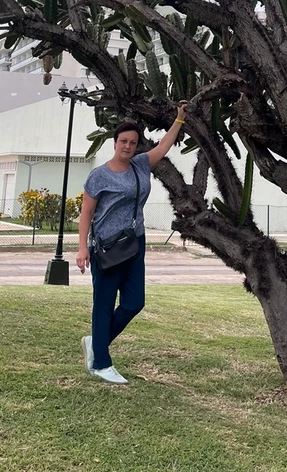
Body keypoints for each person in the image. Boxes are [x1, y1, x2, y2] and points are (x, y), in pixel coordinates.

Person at [76, 102, 188, 384]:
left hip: (135, 245)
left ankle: (96, 341)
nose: (127, 146)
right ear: (115, 143)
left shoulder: (140, 165)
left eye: (133, 142)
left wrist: (179, 119)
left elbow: (163, 147)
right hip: (106, 247)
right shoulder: (99, 175)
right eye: (123, 141)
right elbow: (86, 213)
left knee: (134, 303)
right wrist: (81, 248)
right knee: (103, 305)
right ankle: (101, 363)